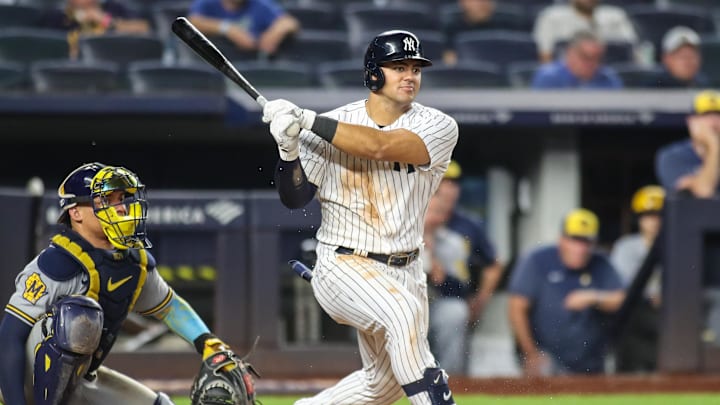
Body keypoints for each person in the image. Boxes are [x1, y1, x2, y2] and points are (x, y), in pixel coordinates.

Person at [261, 30, 460, 405]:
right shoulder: (331, 123)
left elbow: (380, 147)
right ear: (373, 74)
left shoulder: (438, 126)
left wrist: (305, 119)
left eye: (415, 69)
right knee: (402, 319)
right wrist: (288, 152)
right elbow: (295, 197)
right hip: (344, 264)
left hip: (407, 269)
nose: (410, 76)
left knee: (381, 386)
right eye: (398, 67)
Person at [0, 163, 242, 405]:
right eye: (106, 200)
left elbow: (170, 307)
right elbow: (10, 336)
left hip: (77, 380)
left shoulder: (132, 263)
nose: (121, 207)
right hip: (23, 381)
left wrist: (209, 343)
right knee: (78, 316)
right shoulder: (56, 263)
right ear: (76, 213)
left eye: (121, 198)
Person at [508, 208, 625, 375]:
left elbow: (621, 300)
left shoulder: (602, 263)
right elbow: (516, 308)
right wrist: (531, 353)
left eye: (586, 242)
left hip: (590, 361)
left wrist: (593, 297)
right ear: (561, 239)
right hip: (546, 358)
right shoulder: (537, 260)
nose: (580, 248)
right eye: (575, 240)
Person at [423, 160, 504, 375]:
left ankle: (452, 382)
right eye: (442, 185)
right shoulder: (404, 219)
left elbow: (492, 264)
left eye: (453, 184)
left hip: (443, 299)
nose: (448, 190)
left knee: (455, 312)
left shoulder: (462, 230)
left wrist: (480, 300)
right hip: (405, 298)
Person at [610, 185, 665, 372]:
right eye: (648, 215)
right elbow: (624, 287)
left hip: (669, 318)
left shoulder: (680, 244)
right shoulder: (626, 247)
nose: (654, 221)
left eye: (659, 215)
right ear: (639, 218)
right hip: (635, 317)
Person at [655, 90, 720, 198]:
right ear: (691, 121)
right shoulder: (673, 156)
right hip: (692, 214)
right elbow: (703, 191)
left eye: (718, 115)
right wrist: (714, 145)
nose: (713, 122)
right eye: (705, 115)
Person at [533, 0, 638, 63]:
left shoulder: (616, 16)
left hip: (609, 81)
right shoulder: (551, 17)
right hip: (566, 83)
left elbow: (633, 53)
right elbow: (545, 57)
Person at [39, 0, 151, 59]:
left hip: (111, 64)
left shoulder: (112, 7)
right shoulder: (57, 16)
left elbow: (143, 28)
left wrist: (105, 20)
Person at [188, 0, 299, 58]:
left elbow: (289, 23)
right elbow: (193, 22)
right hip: (219, 63)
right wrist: (227, 29)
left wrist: (275, 32)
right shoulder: (207, 3)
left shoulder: (258, 4)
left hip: (252, 61)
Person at [441, 0, 526, 66]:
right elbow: (450, 60)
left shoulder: (508, 24)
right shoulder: (452, 27)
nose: (480, 3)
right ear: (463, 2)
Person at [531, 30, 623, 89]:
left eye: (596, 58)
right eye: (585, 56)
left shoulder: (609, 78)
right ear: (570, 53)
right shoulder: (548, 77)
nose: (591, 63)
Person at [644, 26, 709, 88]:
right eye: (682, 56)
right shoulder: (653, 88)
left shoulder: (705, 86)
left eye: (692, 56)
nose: (688, 61)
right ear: (666, 58)